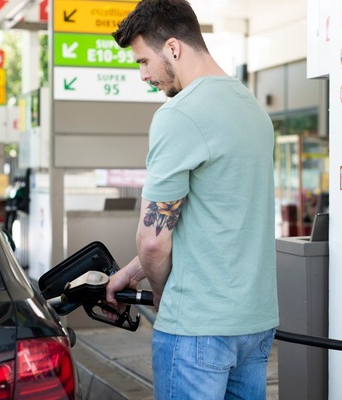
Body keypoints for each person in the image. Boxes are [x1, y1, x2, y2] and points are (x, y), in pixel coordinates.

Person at [104, 0, 279, 398]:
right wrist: (133, 274)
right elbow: (210, 219)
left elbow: (153, 239)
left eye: (143, 61)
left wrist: (165, 298)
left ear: (173, 48)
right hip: (253, 323)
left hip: (197, 328)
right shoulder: (251, 108)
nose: (144, 75)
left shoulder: (179, 114)